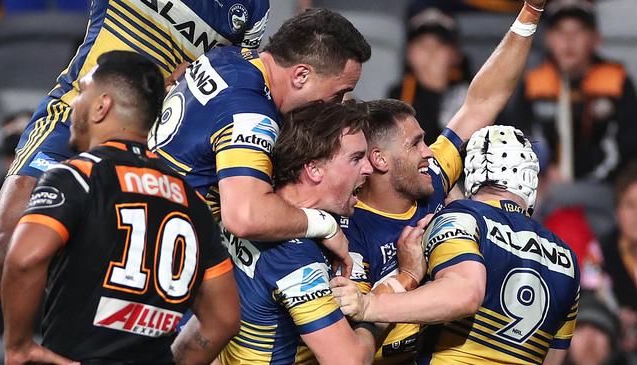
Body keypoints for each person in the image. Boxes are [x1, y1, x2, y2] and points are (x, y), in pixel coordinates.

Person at [0, 0, 270, 322]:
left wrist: (196, 73)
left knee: (115, 303)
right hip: (74, 118)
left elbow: (237, 66)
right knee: (6, 251)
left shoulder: (254, 7)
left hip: (150, 149)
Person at [1, 51, 239, 364]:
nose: (73, 103)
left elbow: (24, 259)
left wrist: (18, 346)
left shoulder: (76, 176)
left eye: (82, 91)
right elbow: (224, 317)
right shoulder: (191, 201)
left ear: (102, 106)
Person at [341, 0, 547, 361]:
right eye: (416, 143)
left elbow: (482, 103)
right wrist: (406, 277)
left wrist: (529, 13)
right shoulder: (350, 230)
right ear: (379, 160)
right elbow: (353, 341)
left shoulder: (431, 178)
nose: (429, 152)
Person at [333, 125, 581, 365]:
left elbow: (464, 294)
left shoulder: (461, 217)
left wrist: (368, 304)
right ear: (530, 180)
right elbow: (553, 357)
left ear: (472, 173)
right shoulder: (567, 258)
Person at [150, 8, 371, 272]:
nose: (337, 106)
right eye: (339, 93)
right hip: (157, 252)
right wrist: (324, 225)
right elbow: (246, 216)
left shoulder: (226, 57)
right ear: (301, 75)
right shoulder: (251, 113)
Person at [218, 101, 418, 365]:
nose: (368, 168)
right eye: (356, 158)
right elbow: (349, 361)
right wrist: (393, 292)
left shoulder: (251, 206)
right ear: (314, 169)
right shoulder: (296, 257)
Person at [507, 0, 637, 182]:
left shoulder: (616, 81)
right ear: (548, 39)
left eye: (579, 30)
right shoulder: (533, 83)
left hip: (604, 189)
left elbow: (629, 146)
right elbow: (517, 139)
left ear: (595, 38)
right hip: (543, 187)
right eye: (560, 31)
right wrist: (542, 173)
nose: (569, 40)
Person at [388, 7, 471, 144]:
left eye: (439, 45)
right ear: (409, 54)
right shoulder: (398, 95)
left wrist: (438, 89)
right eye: (422, 45)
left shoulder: (473, 93)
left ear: (456, 55)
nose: (430, 52)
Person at [601, 162, 637, 354]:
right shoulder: (599, 252)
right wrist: (616, 319)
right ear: (617, 211)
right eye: (630, 205)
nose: (636, 215)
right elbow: (591, 303)